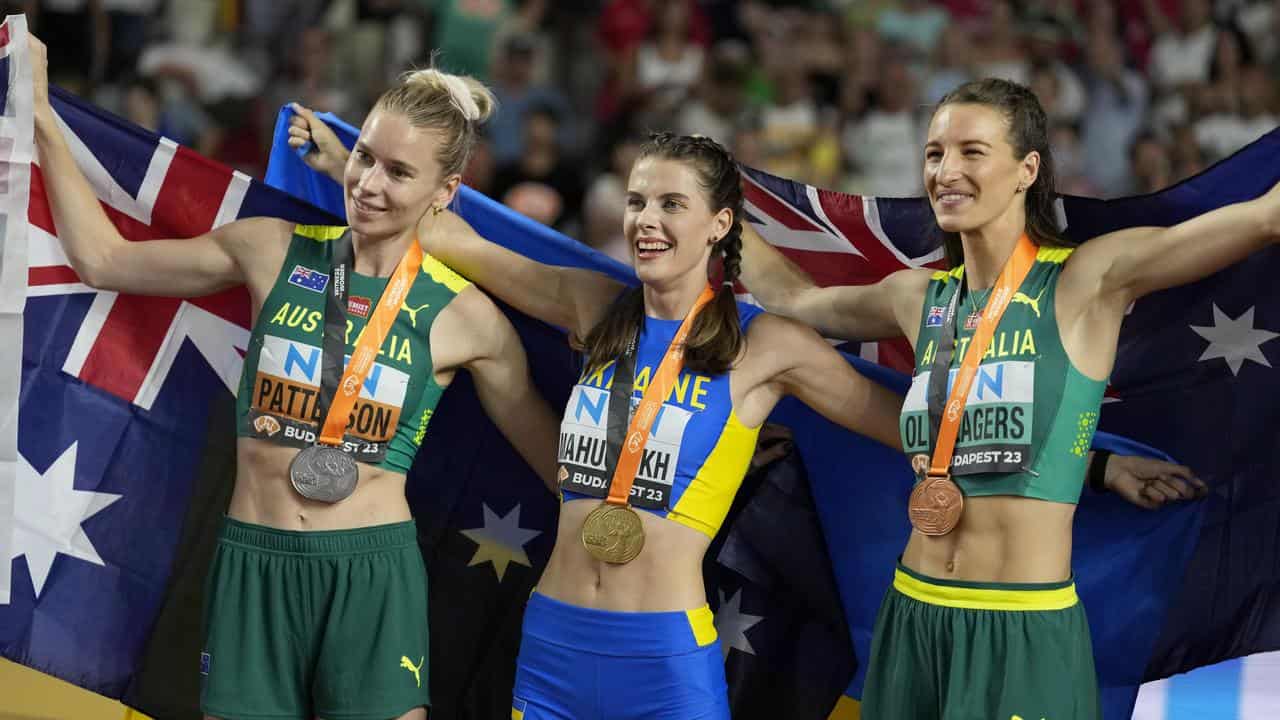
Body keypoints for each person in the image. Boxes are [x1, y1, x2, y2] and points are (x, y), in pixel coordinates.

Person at [289, 117, 905, 717]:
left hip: (667, 660)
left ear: (720, 224)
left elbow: (908, 426)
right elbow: (456, 241)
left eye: (671, 204)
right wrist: (351, 168)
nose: (646, 220)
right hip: (554, 644)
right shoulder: (593, 306)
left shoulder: (766, 346)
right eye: (637, 201)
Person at [30, 35, 559, 720]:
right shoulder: (268, 247)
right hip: (254, 562)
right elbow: (104, 260)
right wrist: (41, 115)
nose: (368, 184)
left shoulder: (468, 319)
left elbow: (558, 469)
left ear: (445, 191)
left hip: (373, 575)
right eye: (364, 157)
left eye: (399, 172)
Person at [737, 77, 1274, 718]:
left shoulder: (1088, 281)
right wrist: (714, 207)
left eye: (971, 151)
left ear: (1027, 170)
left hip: (1024, 626)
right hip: (914, 612)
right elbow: (794, 299)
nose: (945, 171)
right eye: (935, 153)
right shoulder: (915, 298)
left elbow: (1263, 218)